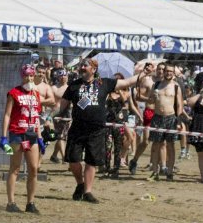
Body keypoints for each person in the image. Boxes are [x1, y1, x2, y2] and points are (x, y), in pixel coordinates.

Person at [55, 57, 142, 204]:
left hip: (96, 129)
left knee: (91, 160)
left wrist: (142, 75)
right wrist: (50, 117)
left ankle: (88, 192)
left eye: (85, 66)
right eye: (81, 66)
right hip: (77, 128)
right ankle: (80, 184)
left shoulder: (104, 83)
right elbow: (62, 106)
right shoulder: (74, 86)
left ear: (94, 69)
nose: (82, 68)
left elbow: (127, 82)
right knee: (73, 160)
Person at [0, 63, 43, 214]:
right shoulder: (14, 93)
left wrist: (40, 137)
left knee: (33, 168)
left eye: (31, 75)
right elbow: (7, 115)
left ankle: (30, 203)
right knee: (15, 168)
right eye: (26, 75)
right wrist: (4, 137)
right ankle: (11, 202)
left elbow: (37, 117)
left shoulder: (36, 94)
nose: (29, 78)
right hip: (17, 134)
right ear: (22, 76)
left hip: (31, 134)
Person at [147, 62, 183, 181]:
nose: (168, 73)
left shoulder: (176, 86)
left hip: (171, 118)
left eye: (171, 72)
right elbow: (150, 101)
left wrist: (178, 121)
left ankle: (170, 171)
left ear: (173, 73)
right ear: (164, 71)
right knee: (156, 145)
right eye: (167, 71)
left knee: (171, 146)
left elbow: (179, 105)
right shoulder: (156, 85)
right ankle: (155, 172)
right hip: (157, 117)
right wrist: (153, 97)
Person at [129, 60, 160, 175]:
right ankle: (134, 160)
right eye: (158, 69)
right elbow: (138, 96)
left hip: (161, 113)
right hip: (149, 111)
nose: (160, 72)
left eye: (162, 70)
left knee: (160, 141)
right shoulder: (148, 80)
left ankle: (156, 165)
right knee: (146, 141)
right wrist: (149, 99)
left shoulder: (167, 83)